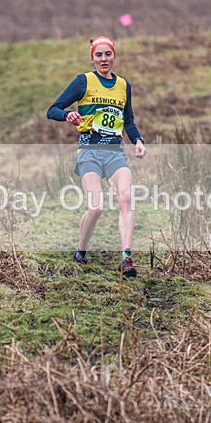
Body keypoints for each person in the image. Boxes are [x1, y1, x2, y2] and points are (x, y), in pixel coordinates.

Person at [47, 36, 147, 277]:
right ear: (92, 59)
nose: (104, 59)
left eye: (108, 54)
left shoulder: (124, 86)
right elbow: (53, 110)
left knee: (126, 198)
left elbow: (128, 121)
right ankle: (81, 250)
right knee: (96, 207)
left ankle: (127, 259)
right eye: (99, 55)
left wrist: (138, 141)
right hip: (89, 152)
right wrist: (68, 115)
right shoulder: (83, 81)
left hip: (115, 153)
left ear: (114, 56)